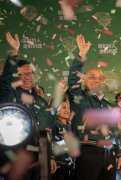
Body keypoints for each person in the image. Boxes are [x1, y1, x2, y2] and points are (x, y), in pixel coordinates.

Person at [0, 32, 57, 178]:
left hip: (42, 157)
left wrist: (50, 156)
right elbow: (6, 82)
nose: (28, 77)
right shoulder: (10, 94)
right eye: (22, 74)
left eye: (30, 73)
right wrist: (13, 53)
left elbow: (47, 131)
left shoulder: (42, 102)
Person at [67, 34, 121, 179]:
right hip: (86, 151)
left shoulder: (108, 105)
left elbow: (116, 132)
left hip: (109, 154)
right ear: (84, 81)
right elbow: (72, 79)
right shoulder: (79, 97)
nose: (96, 80)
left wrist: (120, 153)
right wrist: (81, 56)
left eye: (99, 78)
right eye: (91, 77)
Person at [52, 99, 75, 180]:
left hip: (70, 166)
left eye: (68, 108)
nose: (67, 110)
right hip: (58, 164)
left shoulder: (69, 127)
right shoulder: (54, 125)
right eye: (64, 108)